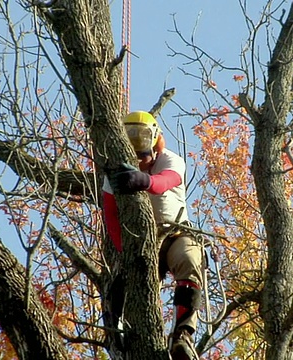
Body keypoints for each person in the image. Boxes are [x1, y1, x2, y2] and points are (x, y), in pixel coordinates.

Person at [102, 111, 203, 360]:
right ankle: (120, 340)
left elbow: (166, 181)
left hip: (176, 232)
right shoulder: (113, 175)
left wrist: (143, 180)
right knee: (121, 288)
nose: (141, 160)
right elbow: (111, 216)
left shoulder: (171, 160)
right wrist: (124, 250)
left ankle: (183, 336)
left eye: (145, 155)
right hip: (141, 240)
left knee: (189, 261)